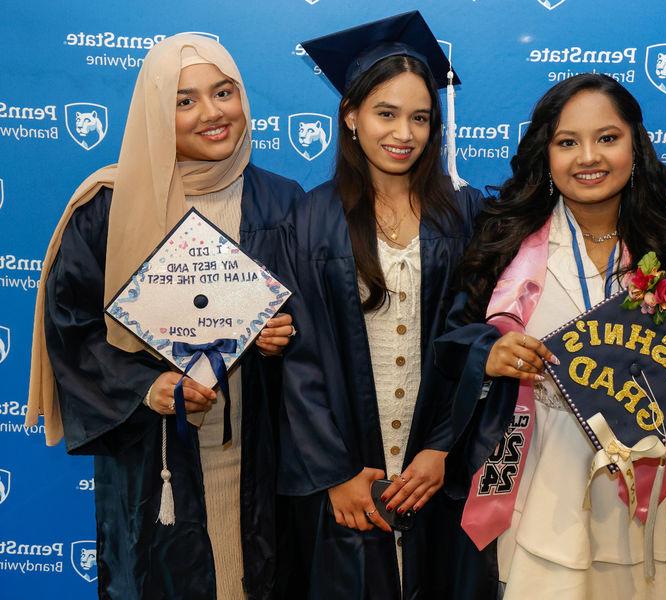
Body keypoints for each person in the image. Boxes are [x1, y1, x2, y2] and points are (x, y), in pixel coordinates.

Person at [436, 74, 666, 600]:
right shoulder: (504, 248)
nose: (588, 156)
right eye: (568, 142)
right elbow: (452, 343)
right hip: (532, 487)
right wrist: (487, 352)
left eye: (607, 138)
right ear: (545, 153)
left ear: (636, 146)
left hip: (644, 505)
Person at [26, 34, 303, 599]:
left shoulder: (283, 202)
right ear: (154, 111)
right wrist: (145, 384)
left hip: (257, 454)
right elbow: (72, 329)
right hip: (157, 461)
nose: (211, 113)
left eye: (223, 92)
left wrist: (284, 337)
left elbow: (323, 328)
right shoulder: (109, 203)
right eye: (184, 100)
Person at [274, 12, 494, 600]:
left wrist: (442, 448)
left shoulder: (464, 215)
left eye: (420, 117)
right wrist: (336, 474)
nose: (404, 132)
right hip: (346, 468)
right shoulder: (308, 221)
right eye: (386, 113)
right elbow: (299, 360)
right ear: (351, 117)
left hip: (435, 466)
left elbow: (476, 339)